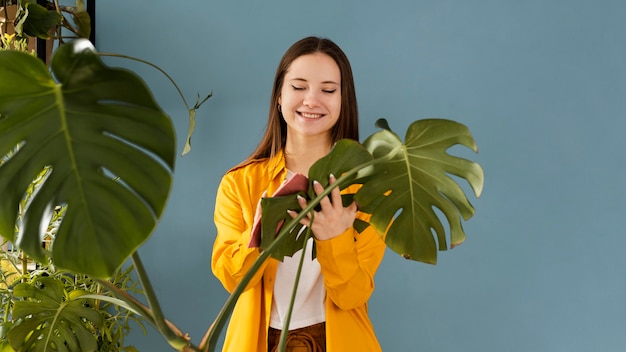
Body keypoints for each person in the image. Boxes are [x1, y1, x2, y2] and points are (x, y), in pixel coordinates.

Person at [212, 36, 386, 352]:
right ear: (279, 95)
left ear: (344, 100)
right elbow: (233, 282)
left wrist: (335, 238)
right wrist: (257, 238)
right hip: (256, 342)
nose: (311, 100)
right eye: (298, 87)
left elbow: (352, 295)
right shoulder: (239, 183)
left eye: (328, 90)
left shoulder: (367, 187)